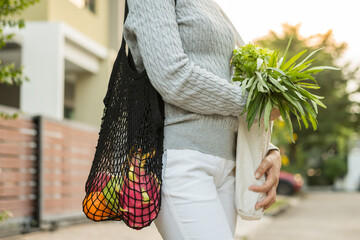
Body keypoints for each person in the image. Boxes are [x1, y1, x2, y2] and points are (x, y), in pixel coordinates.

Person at [123, 0, 282, 239]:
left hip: (227, 167)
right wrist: (252, 105)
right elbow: (172, 76)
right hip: (183, 160)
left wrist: (270, 150)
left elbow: (228, 79)